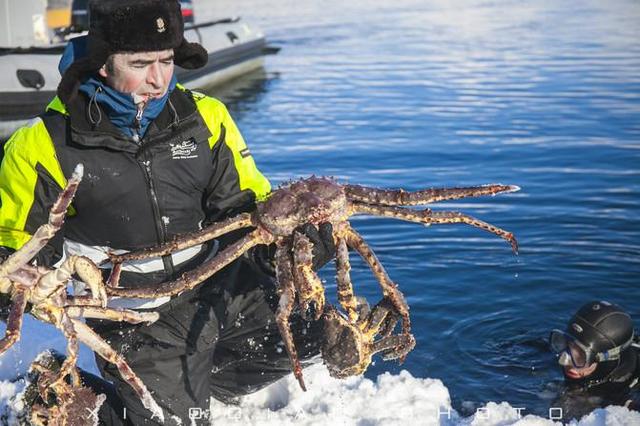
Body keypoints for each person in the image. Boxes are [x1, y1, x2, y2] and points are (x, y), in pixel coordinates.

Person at [0, 0, 335, 424]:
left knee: (320, 329)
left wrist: (293, 244)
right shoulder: (40, 145)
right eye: (140, 64)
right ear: (102, 63)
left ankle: (205, 377)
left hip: (213, 288)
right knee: (174, 421)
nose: (158, 80)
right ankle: (67, 396)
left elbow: (246, 213)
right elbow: (15, 247)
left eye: (166, 60)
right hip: (135, 315)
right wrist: (15, 282)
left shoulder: (206, 117)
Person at [549, 301, 640, 420]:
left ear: (607, 359)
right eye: (565, 344)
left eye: (580, 355)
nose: (563, 360)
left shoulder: (627, 393)